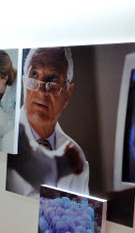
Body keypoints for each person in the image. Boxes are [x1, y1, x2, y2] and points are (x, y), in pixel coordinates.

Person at [6, 47, 89, 198]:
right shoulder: (4, 136)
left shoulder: (78, 157)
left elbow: (78, 216)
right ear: (24, 83)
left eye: (53, 80)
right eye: (34, 74)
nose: (42, 90)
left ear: (68, 94)